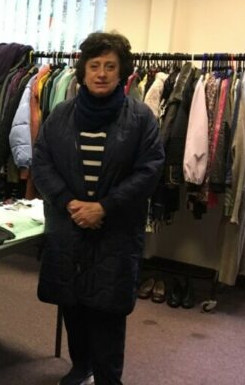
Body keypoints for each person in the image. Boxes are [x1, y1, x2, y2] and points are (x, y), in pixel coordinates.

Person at [31, 32, 164, 385]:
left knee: (108, 311)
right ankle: (81, 366)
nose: (101, 73)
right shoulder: (60, 115)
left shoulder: (140, 118)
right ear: (83, 71)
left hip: (115, 231)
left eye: (110, 66)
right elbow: (41, 163)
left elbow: (150, 170)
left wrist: (104, 207)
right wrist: (69, 202)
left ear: (122, 72)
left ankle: (108, 378)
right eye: (94, 66)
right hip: (68, 226)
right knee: (72, 304)